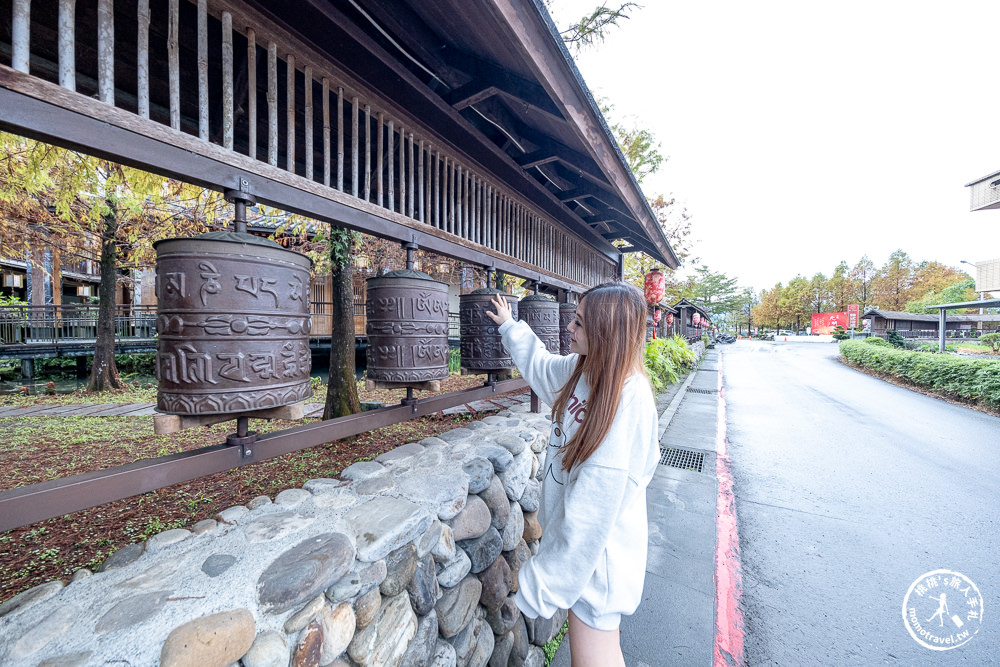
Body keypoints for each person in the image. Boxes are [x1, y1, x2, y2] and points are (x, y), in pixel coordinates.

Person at [486, 281, 659, 667]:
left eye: (579, 323)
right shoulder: (586, 372)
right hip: (589, 561)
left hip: (597, 564)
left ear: (604, 332)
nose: (570, 328)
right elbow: (542, 367)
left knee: (593, 658)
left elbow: (591, 512)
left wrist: (539, 584)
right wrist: (510, 326)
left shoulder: (628, 400)